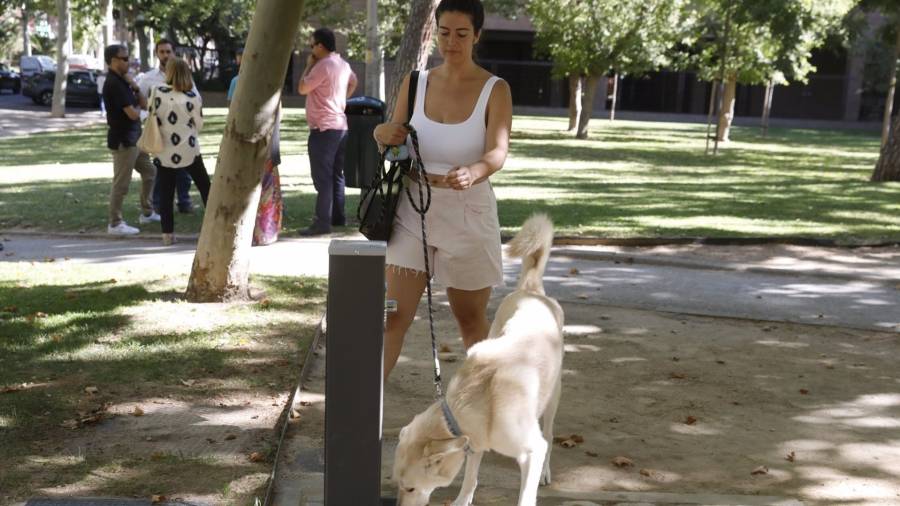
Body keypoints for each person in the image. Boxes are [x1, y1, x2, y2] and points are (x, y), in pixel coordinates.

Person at [373, 0, 513, 380]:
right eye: (445, 32)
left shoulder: (494, 89)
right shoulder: (415, 82)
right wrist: (380, 133)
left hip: (469, 209)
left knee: (469, 321)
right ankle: (365, 416)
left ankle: (490, 407)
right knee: (392, 317)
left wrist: (476, 170)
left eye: (462, 34)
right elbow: (392, 137)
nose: (451, 42)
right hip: (412, 205)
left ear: (477, 35)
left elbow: (498, 152)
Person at [297, 27, 358, 236]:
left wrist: (307, 67)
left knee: (322, 179)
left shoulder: (322, 65)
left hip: (323, 129)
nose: (310, 49)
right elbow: (354, 81)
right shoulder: (342, 64)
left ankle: (322, 222)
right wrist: (341, 101)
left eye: (312, 45)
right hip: (340, 127)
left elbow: (302, 88)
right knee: (336, 175)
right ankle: (337, 217)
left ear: (320, 46)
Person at [151, 57, 211, 245]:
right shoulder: (192, 98)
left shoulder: (156, 92)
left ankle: (167, 234)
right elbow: (199, 124)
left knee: (166, 192)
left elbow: (151, 114)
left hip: (164, 149)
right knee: (205, 187)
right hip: (189, 149)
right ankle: (213, 227)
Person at [228, 47, 284, 246]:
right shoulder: (271, 80)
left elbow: (232, 112)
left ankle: (253, 232)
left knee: (251, 187)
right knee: (266, 188)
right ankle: (264, 232)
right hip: (266, 143)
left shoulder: (239, 81)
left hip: (251, 143)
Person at [101, 44, 157, 235]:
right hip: (123, 141)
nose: (129, 62)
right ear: (114, 61)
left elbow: (142, 103)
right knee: (121, 184)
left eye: (129, 58)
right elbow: (133, 114)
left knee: (150, 172)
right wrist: (142, 110)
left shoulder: (123, 81)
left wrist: (134, 85)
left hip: (135, 139)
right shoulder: (113, 84)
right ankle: (115, 224)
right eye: (125, 59)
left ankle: (148, 212)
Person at [137, 38, 197, 215]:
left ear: (173, 53)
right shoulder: (148, 79)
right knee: (160, 168)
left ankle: (184, 202)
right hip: (160, 132)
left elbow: (195, 98)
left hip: (182, 131)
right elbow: (139, 100)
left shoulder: (185, 76)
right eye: (161, 52)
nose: (165, 55)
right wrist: (147, 117)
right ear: (157, 54)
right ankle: (158, 204)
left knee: (184, 168)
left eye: (168, 51)